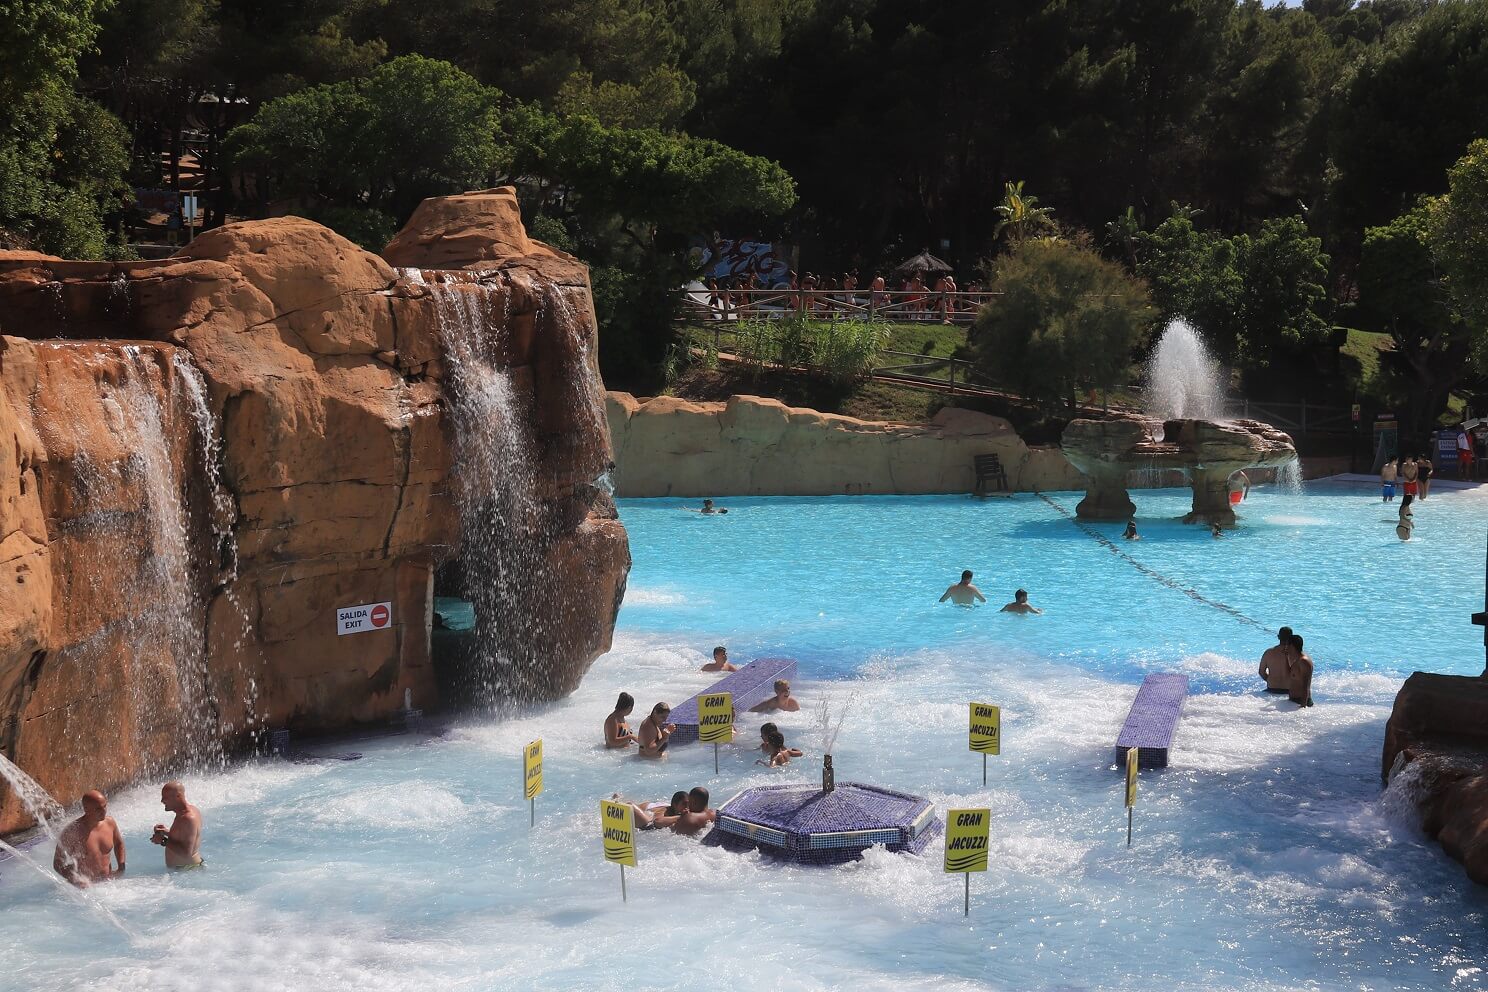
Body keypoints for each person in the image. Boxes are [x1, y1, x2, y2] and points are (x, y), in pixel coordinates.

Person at [53, 790, 124, 887]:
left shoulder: (110, 823)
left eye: (105, 806)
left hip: (107, 884)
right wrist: (76, 880)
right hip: (85, 889)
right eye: (98, 809)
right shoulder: (72, 831)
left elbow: (119, 844)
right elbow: (57, 864)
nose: (103, 811)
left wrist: (121, 867)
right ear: (86, 809)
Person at [151, 781, 204, 870]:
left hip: (187, 871)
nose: (162, 801)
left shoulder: (188, 818)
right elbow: (184, 837)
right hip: (185, 869)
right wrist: (166, 832)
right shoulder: (189, 812)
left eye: (165, 797)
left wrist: (163, 841)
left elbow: (186, 853)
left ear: (178, 796)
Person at [1258, 626, 1295, 694]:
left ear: (1278, 637)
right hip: (1288, 691)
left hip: (1271, 689)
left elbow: (1261, 672)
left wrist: (1270, 680)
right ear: (1292, 638)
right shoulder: (1295, 653)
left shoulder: (1268, 652)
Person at [1288, 633, 1314, 707]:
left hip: (1301, 701)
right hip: (1294, 702)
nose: (1285, 647)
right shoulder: (1296, 659)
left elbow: (1305, 685)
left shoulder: (1304, 661)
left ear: (1292, 646)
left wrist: (1302, 707)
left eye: (1287, 645)